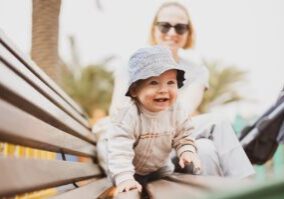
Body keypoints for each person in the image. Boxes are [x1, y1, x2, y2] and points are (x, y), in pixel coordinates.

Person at [95, 1, 255, 179]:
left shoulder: (197, 71)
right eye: (165, 26)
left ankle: (245, 187)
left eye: (180, 28)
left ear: (188, 32)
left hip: (172, 139)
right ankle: (247, 185)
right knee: (212, 131)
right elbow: (118, 109)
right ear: (154, 29)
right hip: (133, 145)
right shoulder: (134, 64)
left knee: (206, 148)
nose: (172, 33)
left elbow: (181, 113)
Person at [108, 45, 201, 193]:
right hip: (127, 170)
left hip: (159, 168)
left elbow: (183, 136)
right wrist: (125, 178)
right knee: (127, 188)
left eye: (171, 82)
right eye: (153, 82)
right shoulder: (128, 114)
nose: (163, 89)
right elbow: (120, 150)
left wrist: (186, 151)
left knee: (173, 188)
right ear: (134, 90)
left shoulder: (177, 110)